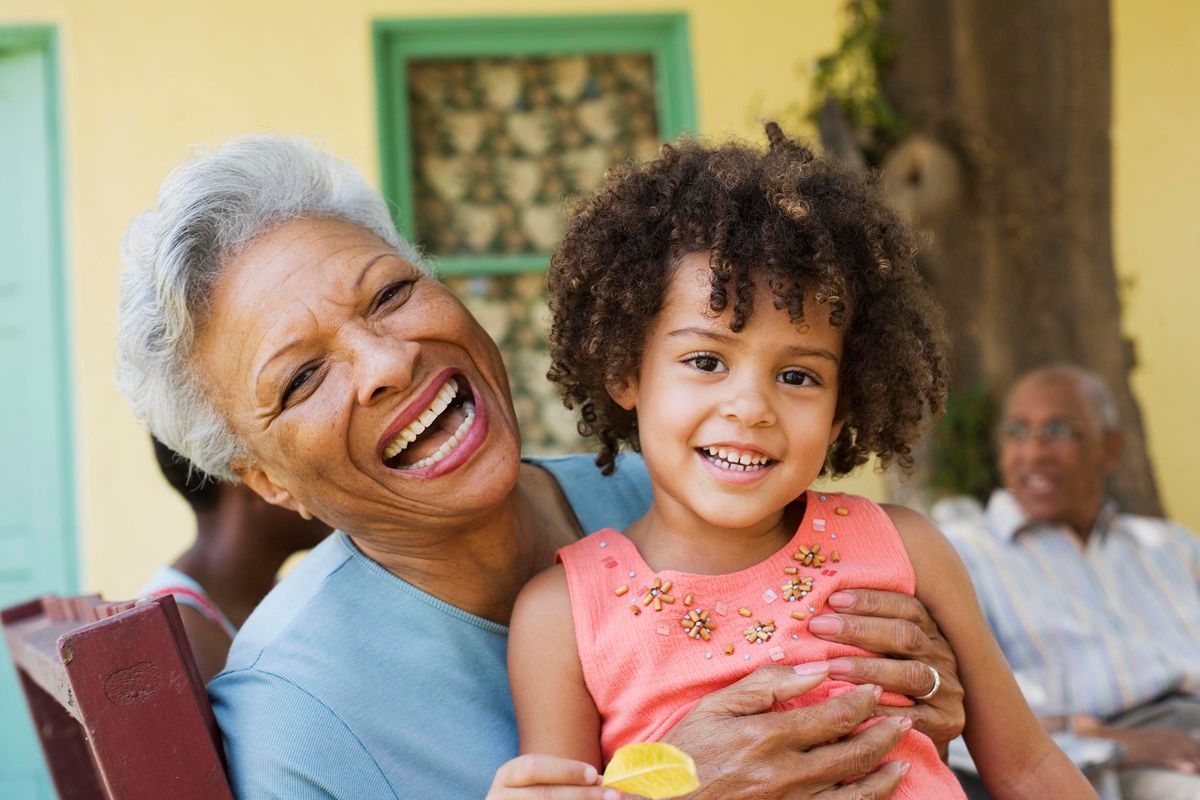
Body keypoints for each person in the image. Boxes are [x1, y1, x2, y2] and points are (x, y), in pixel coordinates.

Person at [116, 133, 967, 800]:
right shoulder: (298, 719)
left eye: (390, 294)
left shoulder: (675, 491)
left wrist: (918, 691)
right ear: (265, 479)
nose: (383, 362)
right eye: (302, 378)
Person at [500, 125, 1095, 799]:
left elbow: (1028, 766)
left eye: (800, 377)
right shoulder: (563, 616)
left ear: (846, 403)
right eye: (705, 361)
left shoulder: (907, 550)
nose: (750, 406)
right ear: (623, 370)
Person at [936, 364, 1200, 800]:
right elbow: (957, 719)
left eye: (1057, 430)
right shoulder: (965, 555)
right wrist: (1113, 743)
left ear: (1109, 449)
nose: (1034, 452)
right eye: (1018, 432)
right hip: (1113, 763)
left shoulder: (1170, 547)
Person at [139, 437, 331, 682]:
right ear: (254, 480)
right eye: (298, 460)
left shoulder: (275, 598)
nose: (330, 482)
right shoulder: (180, 636)